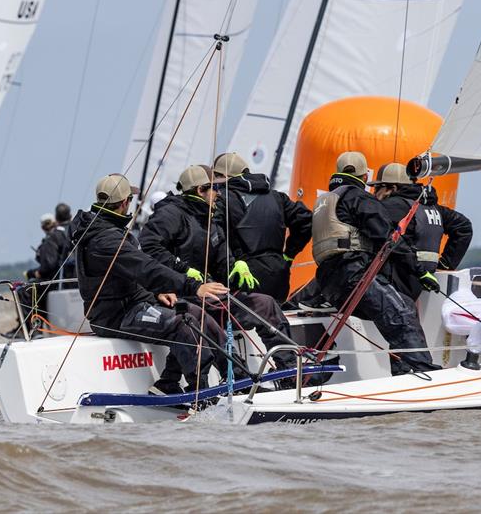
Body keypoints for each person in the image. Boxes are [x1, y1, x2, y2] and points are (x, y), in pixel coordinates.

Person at [72, 173, 230, 394]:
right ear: (125, 202)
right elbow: (145, 268)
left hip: (132, 304)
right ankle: (201, 393)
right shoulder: (104, 239)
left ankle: (232, 376)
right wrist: (193, 286)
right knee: (181, 324)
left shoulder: (109, 229)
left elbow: (129, 275)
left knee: (195, 311)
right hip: (113, 316)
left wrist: (155, 294)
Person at [139, 164, 296, 370]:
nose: (219, 194)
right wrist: (182, 269)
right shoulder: (171, 213)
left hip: (210, 293)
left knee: (265, 304)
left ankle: (291, 369)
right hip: (182, 294)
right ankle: (236, 377)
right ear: (200, 190)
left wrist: (235, 265)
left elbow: (221, 255)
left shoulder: (210, 217)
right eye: (215, 189)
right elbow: (149, 245)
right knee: (201, 319)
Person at [311, 151, 440, 376]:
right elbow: (388, 238)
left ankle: (403, 374)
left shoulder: (325, 200)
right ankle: (425, 372)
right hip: (354, 274)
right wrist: (420, 271)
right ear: (364, 177)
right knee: (401, 316)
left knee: (404, 305)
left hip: (328, 282)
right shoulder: (358, 197)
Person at [212, 152, 312, 303]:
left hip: (244, 278)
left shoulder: (223, 198)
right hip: (279, 276)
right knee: (274, 320)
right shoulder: (278, 197)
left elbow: (213, 236)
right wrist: (289, 255)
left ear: (223, 176)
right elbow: (306, 220)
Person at [370, 162, 473, 300]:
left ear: (392, 188)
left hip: (398, 284)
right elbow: (464, 227)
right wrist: (445, 266)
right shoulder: (434, 208)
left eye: (377, 187)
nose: (374, 193)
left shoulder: (392, 206)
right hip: (426, 281)